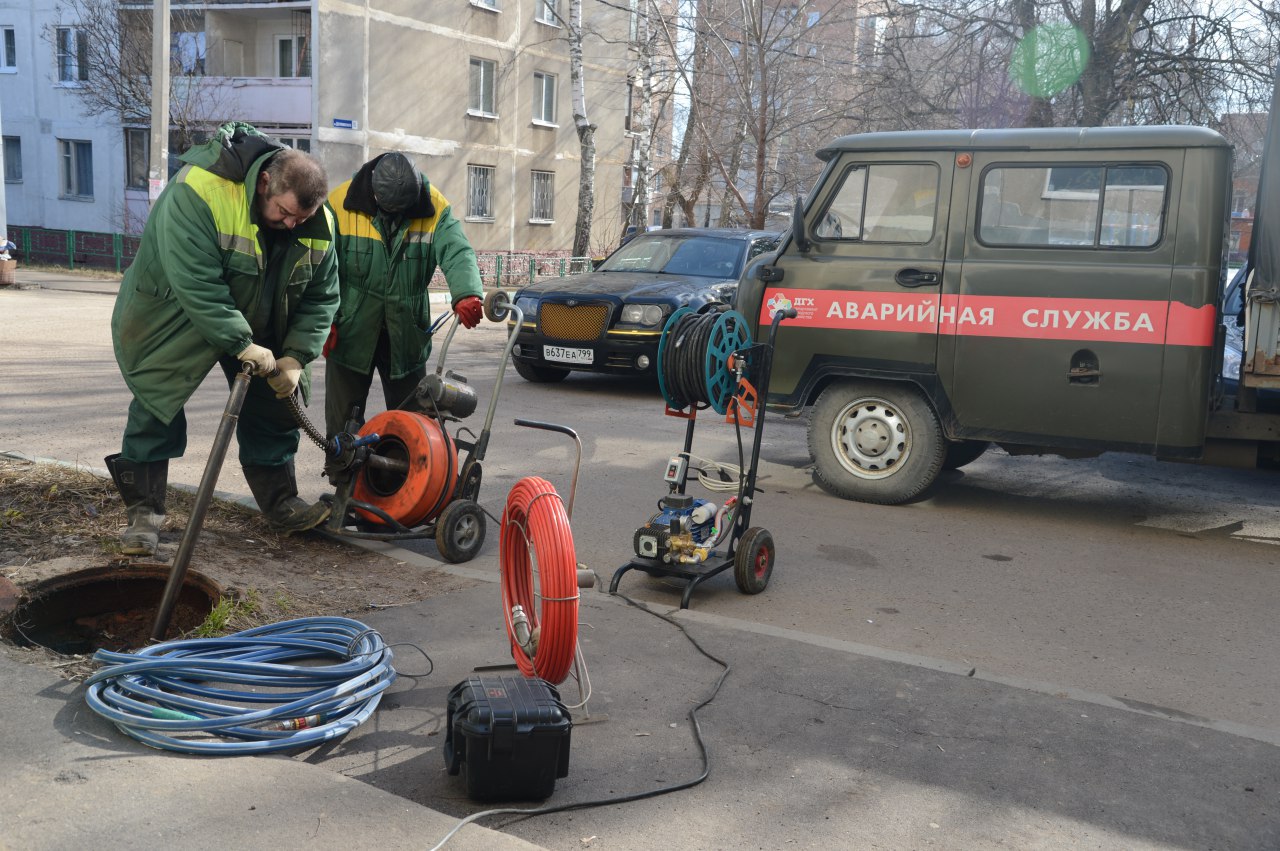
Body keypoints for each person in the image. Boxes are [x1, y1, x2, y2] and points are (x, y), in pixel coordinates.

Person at [105, 122, 339, 557]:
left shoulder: (318, 221)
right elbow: (197, 284)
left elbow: (323, 296)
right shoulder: (198, 191)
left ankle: (281, 502)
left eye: (300, 219)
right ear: (265, 182)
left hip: (260, 311)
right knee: (158, 403)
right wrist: (239, 340)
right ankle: (143, 516)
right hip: (175, 311)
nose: (291, 225)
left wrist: (295, 357)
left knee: (276, 405)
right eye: (285, 213)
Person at [323, 152, 484, 438]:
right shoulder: (339, 203)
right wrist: (323, 321)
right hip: (350, 329)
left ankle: (407, 478)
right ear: (372, 192)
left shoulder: (434, 206)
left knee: (412, 423)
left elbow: (457, 251)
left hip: (405, 332)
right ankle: (342, 475)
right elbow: (319, 264)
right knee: (343, 419)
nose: (395, 216)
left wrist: (467, 292)